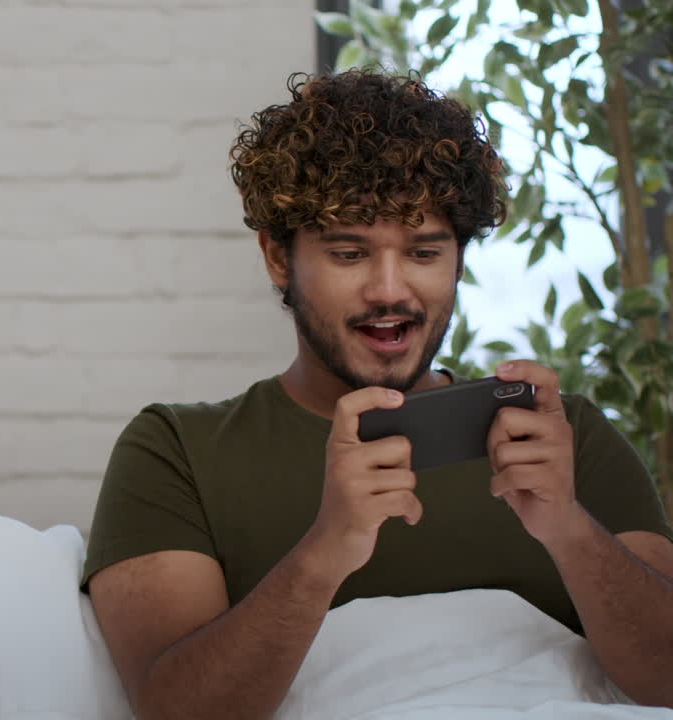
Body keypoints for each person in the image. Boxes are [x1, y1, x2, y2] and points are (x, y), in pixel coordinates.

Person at [83, 70, 673, 718]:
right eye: (349, 253)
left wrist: (568, 528)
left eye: (423, 253)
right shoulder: (178, 452)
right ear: (279, 258)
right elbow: (174, 711)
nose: (389, 290)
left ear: (458, 260)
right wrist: (326, 551)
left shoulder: (562, 437)